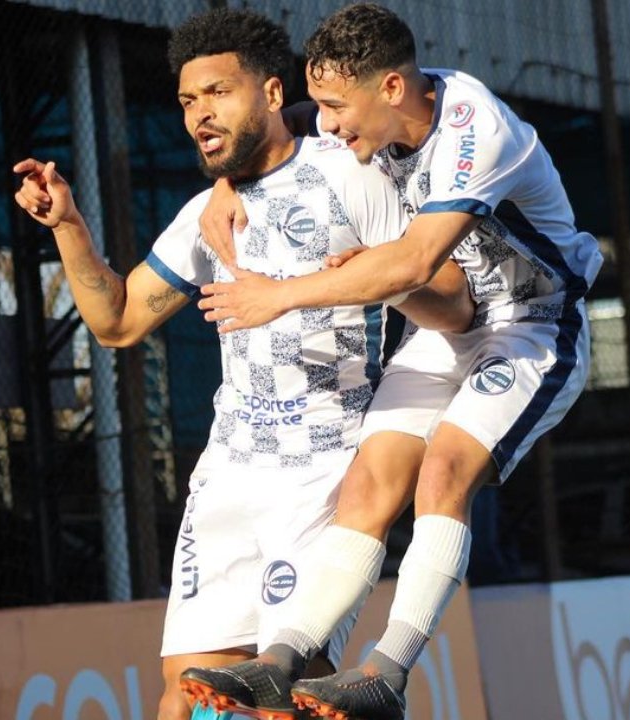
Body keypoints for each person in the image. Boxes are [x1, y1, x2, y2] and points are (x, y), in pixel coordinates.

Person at [12, 9, 472, 720]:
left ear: (270, 94)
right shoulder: (207, 210)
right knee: (187, 692)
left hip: (324, 470)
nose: (200, 114)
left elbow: (450, 297)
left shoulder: (351, 174)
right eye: (189, 101)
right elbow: (117, 321)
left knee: (288, 690)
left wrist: (349, 281)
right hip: (228, 475)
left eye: (218, 93)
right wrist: (68, 226)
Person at [180, 4, 602, 719]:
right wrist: (227, 184)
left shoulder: (476, 129)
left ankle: (387, 672)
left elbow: (410, 261)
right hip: (446, 326)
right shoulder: (350, 123)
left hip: (532, 327)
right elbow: (280, 150)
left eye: (340, 108)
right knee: (369, 484)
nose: (330, 125)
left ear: (394, 90)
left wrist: (278, 297)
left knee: (443, 471)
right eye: (321, 105)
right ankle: (279, 660)